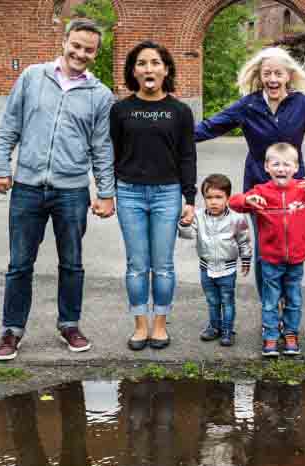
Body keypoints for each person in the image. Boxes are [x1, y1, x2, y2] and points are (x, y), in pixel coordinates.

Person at [0, 18, 115, 361]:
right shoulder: (32, 77)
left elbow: (102, 147)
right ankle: (12, 330)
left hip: (72, 192)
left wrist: (106, 192)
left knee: (72, 263)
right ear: (64, 42)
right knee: (19, 263)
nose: (80, 53)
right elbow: (8, 127)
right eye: (76, 45)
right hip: (27, 188)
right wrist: (1, 167)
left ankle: (69, 325)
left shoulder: (101, 96)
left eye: (88, 49)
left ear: (96, 53)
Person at [195, 46, 305, 300]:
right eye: (267, 74)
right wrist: (170, 136)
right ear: (259, 75)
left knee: (292, 248)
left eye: (278, 73)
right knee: (266, 251)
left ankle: (289, 307)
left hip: (295, 189)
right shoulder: (248, 105)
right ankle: (269, 309)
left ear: (288, 75)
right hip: (260, 188)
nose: (273, 79)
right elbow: (211, 126)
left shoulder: (303, 104)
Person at [111, 40, 196, 351]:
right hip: (130, 193)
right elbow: (113, 154)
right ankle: (139, 325)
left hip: (167, 194)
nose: (149, 68)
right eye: (142, 63)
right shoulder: (120, 110)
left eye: (155, 62)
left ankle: (159, 325)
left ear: (166, 69)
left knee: (162, 265)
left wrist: (189, 198)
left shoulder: (180, 111)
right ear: (133, 71)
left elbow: (187, 156)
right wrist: (108, 192)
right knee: (136, 265)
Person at [228, 142, 305, 358]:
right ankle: (269, 335)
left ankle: (290, 334)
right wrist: (247, 199)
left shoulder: (304, 190)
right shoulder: (261, 191)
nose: (281, 169)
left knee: (294, 299)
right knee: (270, 300)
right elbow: (234, 202)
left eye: (287, 164)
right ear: (267, 167)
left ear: (296, 167)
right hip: (270, 258)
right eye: (275, 164)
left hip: (296, 258)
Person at [177, 173, 253, 347]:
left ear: (227, 198)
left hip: (228, 269)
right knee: (212, 300)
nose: (213, 201)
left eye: (219, 197)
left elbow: (244, 240)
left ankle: (227, 330)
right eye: (209, 197)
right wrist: (184, 223)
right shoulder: (198, 216)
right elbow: (189, 235)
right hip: (206, 268)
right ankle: (214, 326)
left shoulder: (237, 218)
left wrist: (246, 260)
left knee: (227, 300)